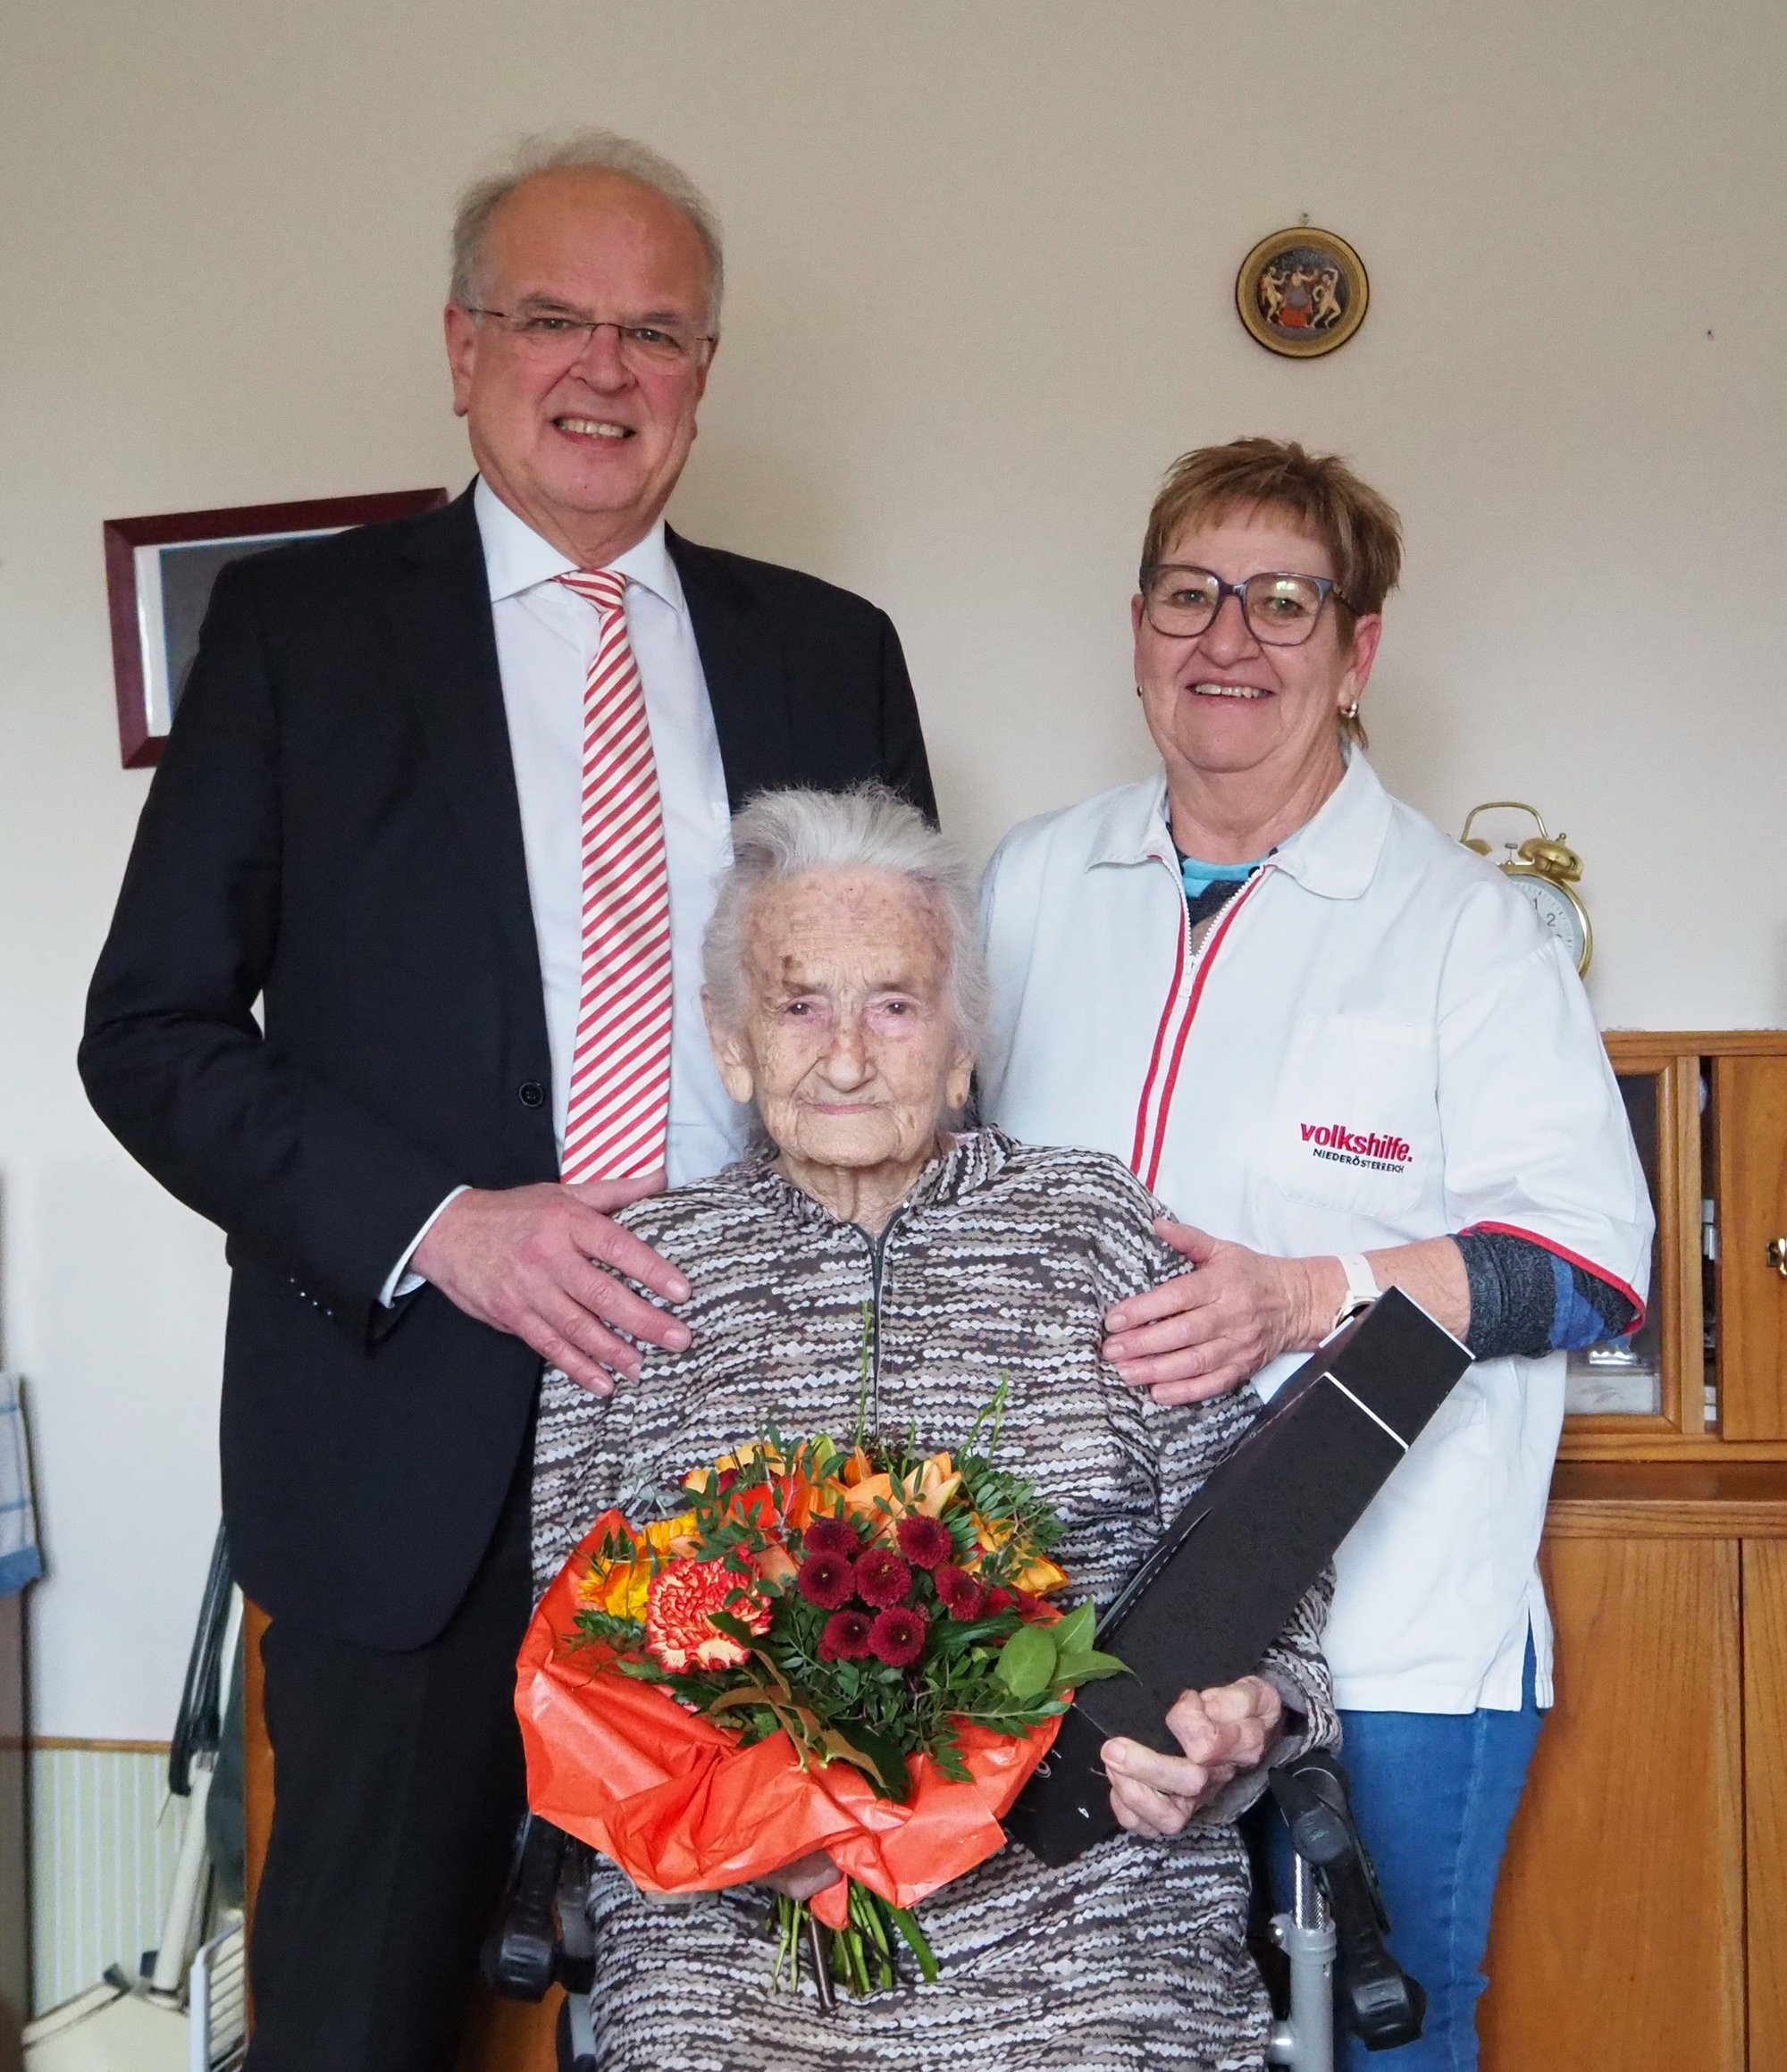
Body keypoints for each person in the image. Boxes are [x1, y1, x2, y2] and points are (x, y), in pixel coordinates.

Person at [79, 133, 933, 2071]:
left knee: (769, 2025)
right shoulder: (302, 636)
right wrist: (443, 1224)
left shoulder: (828, 649)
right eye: (557, 317)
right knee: (365, 2021)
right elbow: (152, 1032)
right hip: (401, 1460)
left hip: (763, 1459)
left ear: (706, 375)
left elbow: (905, 1048)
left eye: (656, 330)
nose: (604, 368)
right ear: (464, 346)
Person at [977, 437, 1653, 2068]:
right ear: (1137, 629)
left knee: (1385, 2038)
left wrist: (1313, 1288)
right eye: (1192, 595)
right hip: (1099, 1625)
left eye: (1286, 602)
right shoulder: (1027, 887)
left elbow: (1589, 1268)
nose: (1232, 639)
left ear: (1357, 656)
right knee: (1110, 2030)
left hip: (1398, 1633)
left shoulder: (1466, 924)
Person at [532, 785, 1338, 2072]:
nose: (846, 1055)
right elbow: (577, 1647)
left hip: (1084, 1920)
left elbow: (1266, 1591)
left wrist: (1245, 1719)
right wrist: (764, 1830)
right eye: (800, 1004)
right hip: (731, 1933)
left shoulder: (1095, 1237)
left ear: (963, 1045)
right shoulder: (641, 1279)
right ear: (730, 1042)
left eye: (896, 1005)